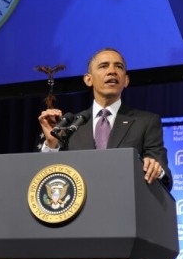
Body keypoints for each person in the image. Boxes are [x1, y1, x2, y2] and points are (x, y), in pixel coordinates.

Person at [38, 47, 173, 191]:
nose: (112, 71)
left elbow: (164, 177)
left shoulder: (146, 121)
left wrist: (156, 169)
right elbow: (49, 177)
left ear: (126, 80)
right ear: (88, 79)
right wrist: (52, 145)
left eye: (119, 67)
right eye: (103, 66)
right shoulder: (71, 125)